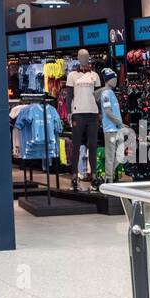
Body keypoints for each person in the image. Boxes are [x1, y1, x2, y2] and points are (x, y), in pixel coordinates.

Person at [66, 49, 99, 192]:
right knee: (76, 145)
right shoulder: (72, 75)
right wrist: (68, 112)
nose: (83, 59)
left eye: (86, 56)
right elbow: (68, 96)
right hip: (78, 114)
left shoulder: (95, 76)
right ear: (78, 58)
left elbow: (98, 96)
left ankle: (95, 176)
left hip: (93, 114)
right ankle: (74, 177)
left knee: (93, 146)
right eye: (81, 56)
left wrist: (101, 112)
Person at [99, 67, 125, 185]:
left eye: (115, 78)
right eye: (113, 79)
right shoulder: (105, 94)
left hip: (117, 128)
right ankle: (108, 179)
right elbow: (108, 111)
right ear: (107, 80)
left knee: (120, 154)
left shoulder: (111, 93)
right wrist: (118, 122)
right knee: (110, 155)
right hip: (110, 129)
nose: (115, 81)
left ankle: (110, 175)